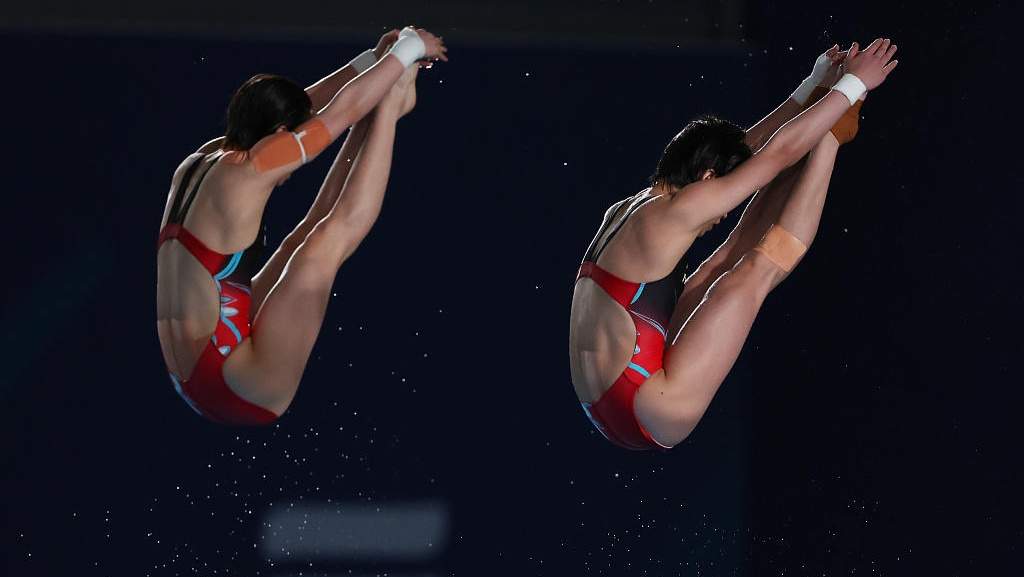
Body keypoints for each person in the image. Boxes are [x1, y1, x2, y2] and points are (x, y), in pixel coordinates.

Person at [569, 39, 898, 449]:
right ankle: (832, 138)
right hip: (652, 409)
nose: (721, 212)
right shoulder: (684, 208)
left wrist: (811, 89)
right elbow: (778, 153)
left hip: (605, 405)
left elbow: (748, 151)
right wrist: (852, 86)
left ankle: (830, 121)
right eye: (720, 192)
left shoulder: (632, 208)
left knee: (718, 265)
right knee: (753, 270)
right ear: (707, 179)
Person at [156, 28, 446, 424]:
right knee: (328, 240)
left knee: (302, 241)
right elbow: (340, 113)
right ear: (277, 135)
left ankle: (387, 96)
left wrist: (375, 62)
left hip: (194, 375)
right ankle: (391, 107)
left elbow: (310, 105)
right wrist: (411, 47)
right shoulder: (254, 167)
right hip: (239, 387)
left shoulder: (200, 160)